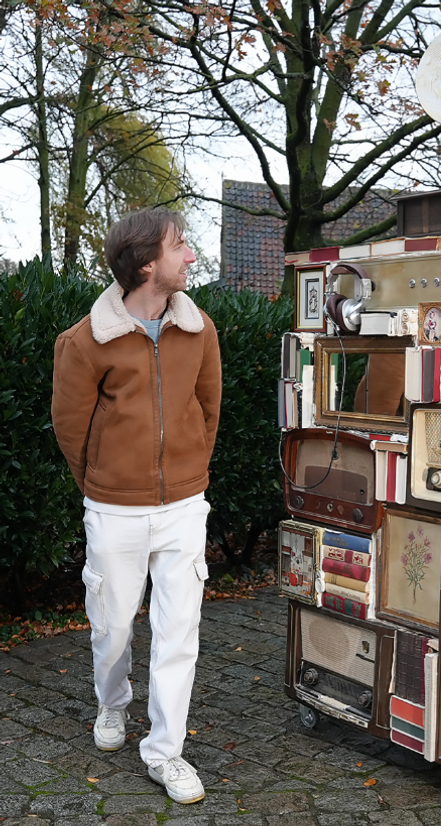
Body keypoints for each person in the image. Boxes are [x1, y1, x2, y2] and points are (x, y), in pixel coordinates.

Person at [51, 207, 222, 805]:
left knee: (179, 632)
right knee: (114, 625)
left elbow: (208, 409)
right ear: (147, 263)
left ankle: (165, 752)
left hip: (184, 507)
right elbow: (70, 428)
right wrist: (106, 484)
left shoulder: (200, 331)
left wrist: (189, 474)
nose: (191, 256)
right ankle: (112, 702)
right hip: (114, 510)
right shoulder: (84, 341)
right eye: (180, 246)